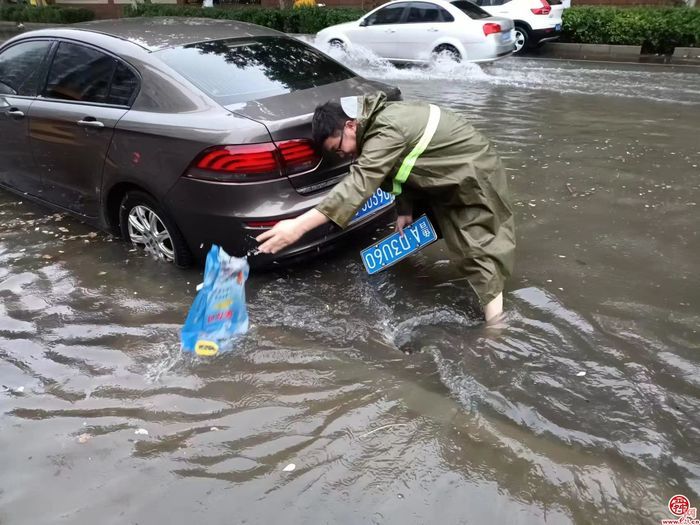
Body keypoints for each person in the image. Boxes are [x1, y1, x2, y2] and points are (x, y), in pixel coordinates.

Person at [256, 92, 515, 323]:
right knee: (444, 227)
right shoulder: (377, 122)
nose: (343, 155)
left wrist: (298, 226)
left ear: (350, 125)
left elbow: (359, 184)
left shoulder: (387, 129)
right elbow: (402, 167)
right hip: (444, 174)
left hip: (472, 175)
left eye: (339, 148)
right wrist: (404, 210)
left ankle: (497, 327)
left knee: (477, 244)